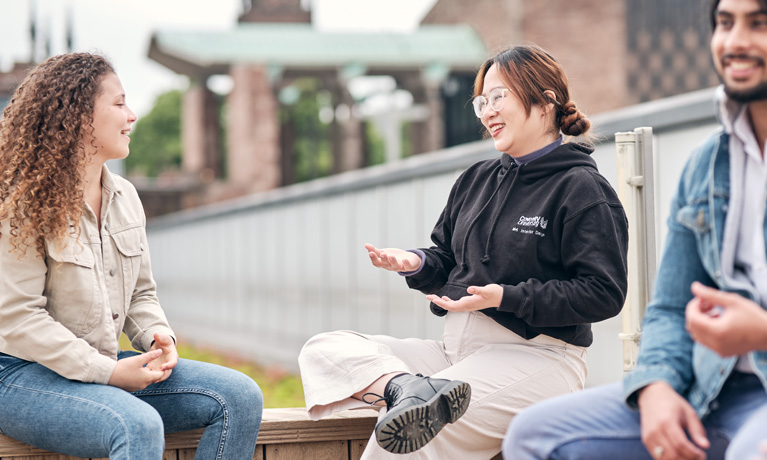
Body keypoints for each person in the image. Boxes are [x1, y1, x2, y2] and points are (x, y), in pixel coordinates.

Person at [298, 44, 629, 459]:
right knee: (326, 349)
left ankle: (418, 401)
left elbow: (604, 292)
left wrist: (509, 296)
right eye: (481, 101)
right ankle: (407, 389)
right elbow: (447, 259)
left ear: (545, 102)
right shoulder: (476, 179)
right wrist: (416, 262)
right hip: (454, 356)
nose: (487, 111)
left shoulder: (582, 189)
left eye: (498, 97)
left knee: (412, 439)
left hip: (538, 358)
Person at [502, 1, 767, 459]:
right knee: (533, 435)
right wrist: (657, 386)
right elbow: (668, 307)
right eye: (725, 23)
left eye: (758, 24)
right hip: (706, 388)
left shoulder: (583, 186)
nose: (736, 41)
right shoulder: (707, 165)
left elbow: (600, 291)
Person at [0, 53, 263, 460]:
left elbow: (141, 293)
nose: (133, 115)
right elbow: (19, 318)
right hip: (21, 375)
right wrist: (108, 373)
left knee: (239, 396)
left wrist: (159, 337)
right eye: (120, 103)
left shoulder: (125, 198)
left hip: (103, 366)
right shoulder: (23, 204)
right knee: (136, 425)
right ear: (79, 115)